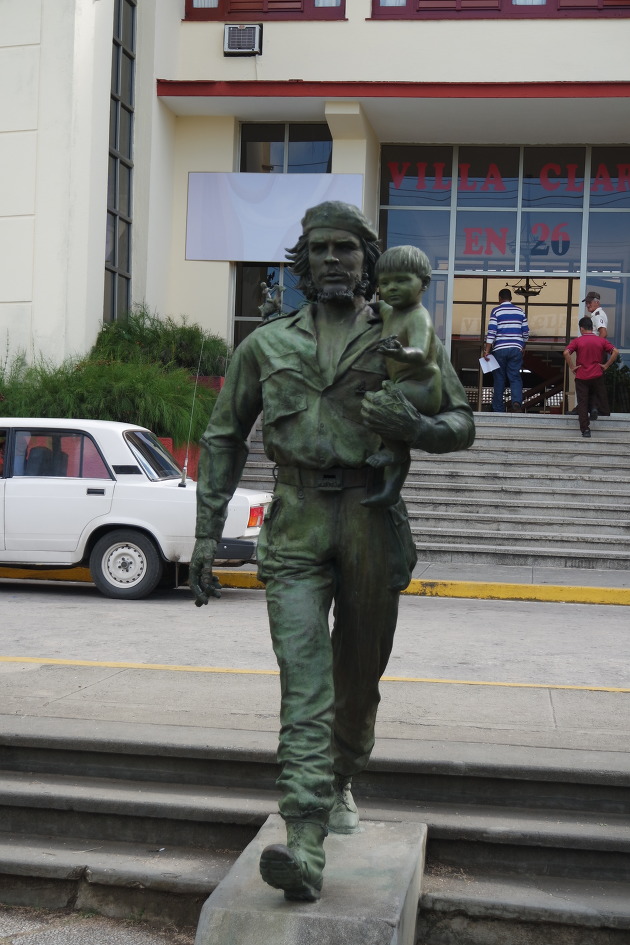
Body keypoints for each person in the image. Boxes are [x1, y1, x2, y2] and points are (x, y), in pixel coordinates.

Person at [189, 201, 475, 903]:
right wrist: (205, 530)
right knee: (305, 679)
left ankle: (343, 771)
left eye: (345, 247)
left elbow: (460, 421)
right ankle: (305, 839)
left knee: (357, 681)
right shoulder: (266, 343)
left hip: (371, 520)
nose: (331, 259)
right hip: (296, 521)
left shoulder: (404, 330)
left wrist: (414, 426)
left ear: (367, 260)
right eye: (318, 249)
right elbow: (224, 435)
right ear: (303, 262)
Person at [363, 245, 441, 508]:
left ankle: (394, 452)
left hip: (424, 386)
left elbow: (419, 351)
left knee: (379, 404)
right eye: (385, 283)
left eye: (401, 281)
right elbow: (376, 306)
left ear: (424, 284)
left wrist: (400, 352)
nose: (392, 288)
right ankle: (390, 491)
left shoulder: (419, 317)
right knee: (387, 420)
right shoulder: (390, 311)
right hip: (402, 384)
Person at [563, 316, 618, 438]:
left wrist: (572, 367)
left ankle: (585, 429)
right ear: (592, 328)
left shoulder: (578, 341)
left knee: (582, 402)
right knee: (595, 393)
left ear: (581, 328)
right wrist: (606, 365)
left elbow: (566, 352)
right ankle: (594, 408)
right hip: (597, 374)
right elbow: (615, 351)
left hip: (582, 375)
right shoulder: (600, 341)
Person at [483, 289, 529, 412]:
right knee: (515, 376)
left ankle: (498, 408)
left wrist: (487, 350)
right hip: (516, 349)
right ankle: (516, 402)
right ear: (511, 298)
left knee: (499, 378)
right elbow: (525, 332)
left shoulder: (496, 311)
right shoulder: (520, 311)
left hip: (500, 350)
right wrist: (523, 346)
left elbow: (492, 331)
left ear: (499, 298)